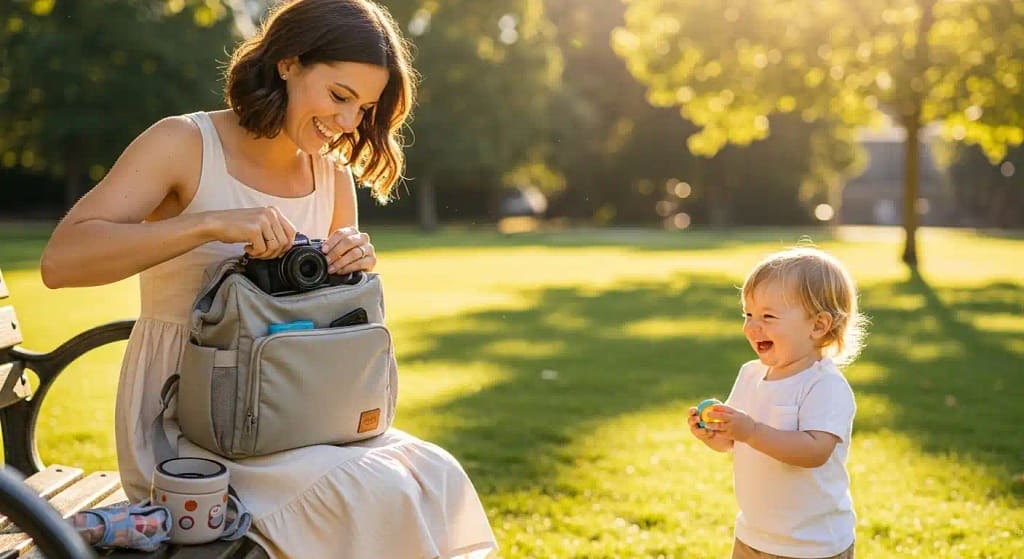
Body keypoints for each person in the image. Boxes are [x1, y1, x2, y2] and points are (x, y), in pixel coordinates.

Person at [39, 1, 497, 557]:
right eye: (340, 97)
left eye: (365, 107)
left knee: (433, 473)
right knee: (376, 489)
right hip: (191, 420)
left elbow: (335, 326)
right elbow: (60, 261)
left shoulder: (330, 176)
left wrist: (352, 270)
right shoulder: (182, 143)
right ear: (288, 63)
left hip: (303, 413)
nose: (350, 124)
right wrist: (207, 224)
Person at [687, 247, 866, 559]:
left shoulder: (824, 385)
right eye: (748, 314)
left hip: (811, 545)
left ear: (818, 326)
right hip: (753, 535)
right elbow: (734, 441)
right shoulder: (750, 374)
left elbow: (814, 452)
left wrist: (751, 430)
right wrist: (714, 434)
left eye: (768, 316)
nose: (752, 327)